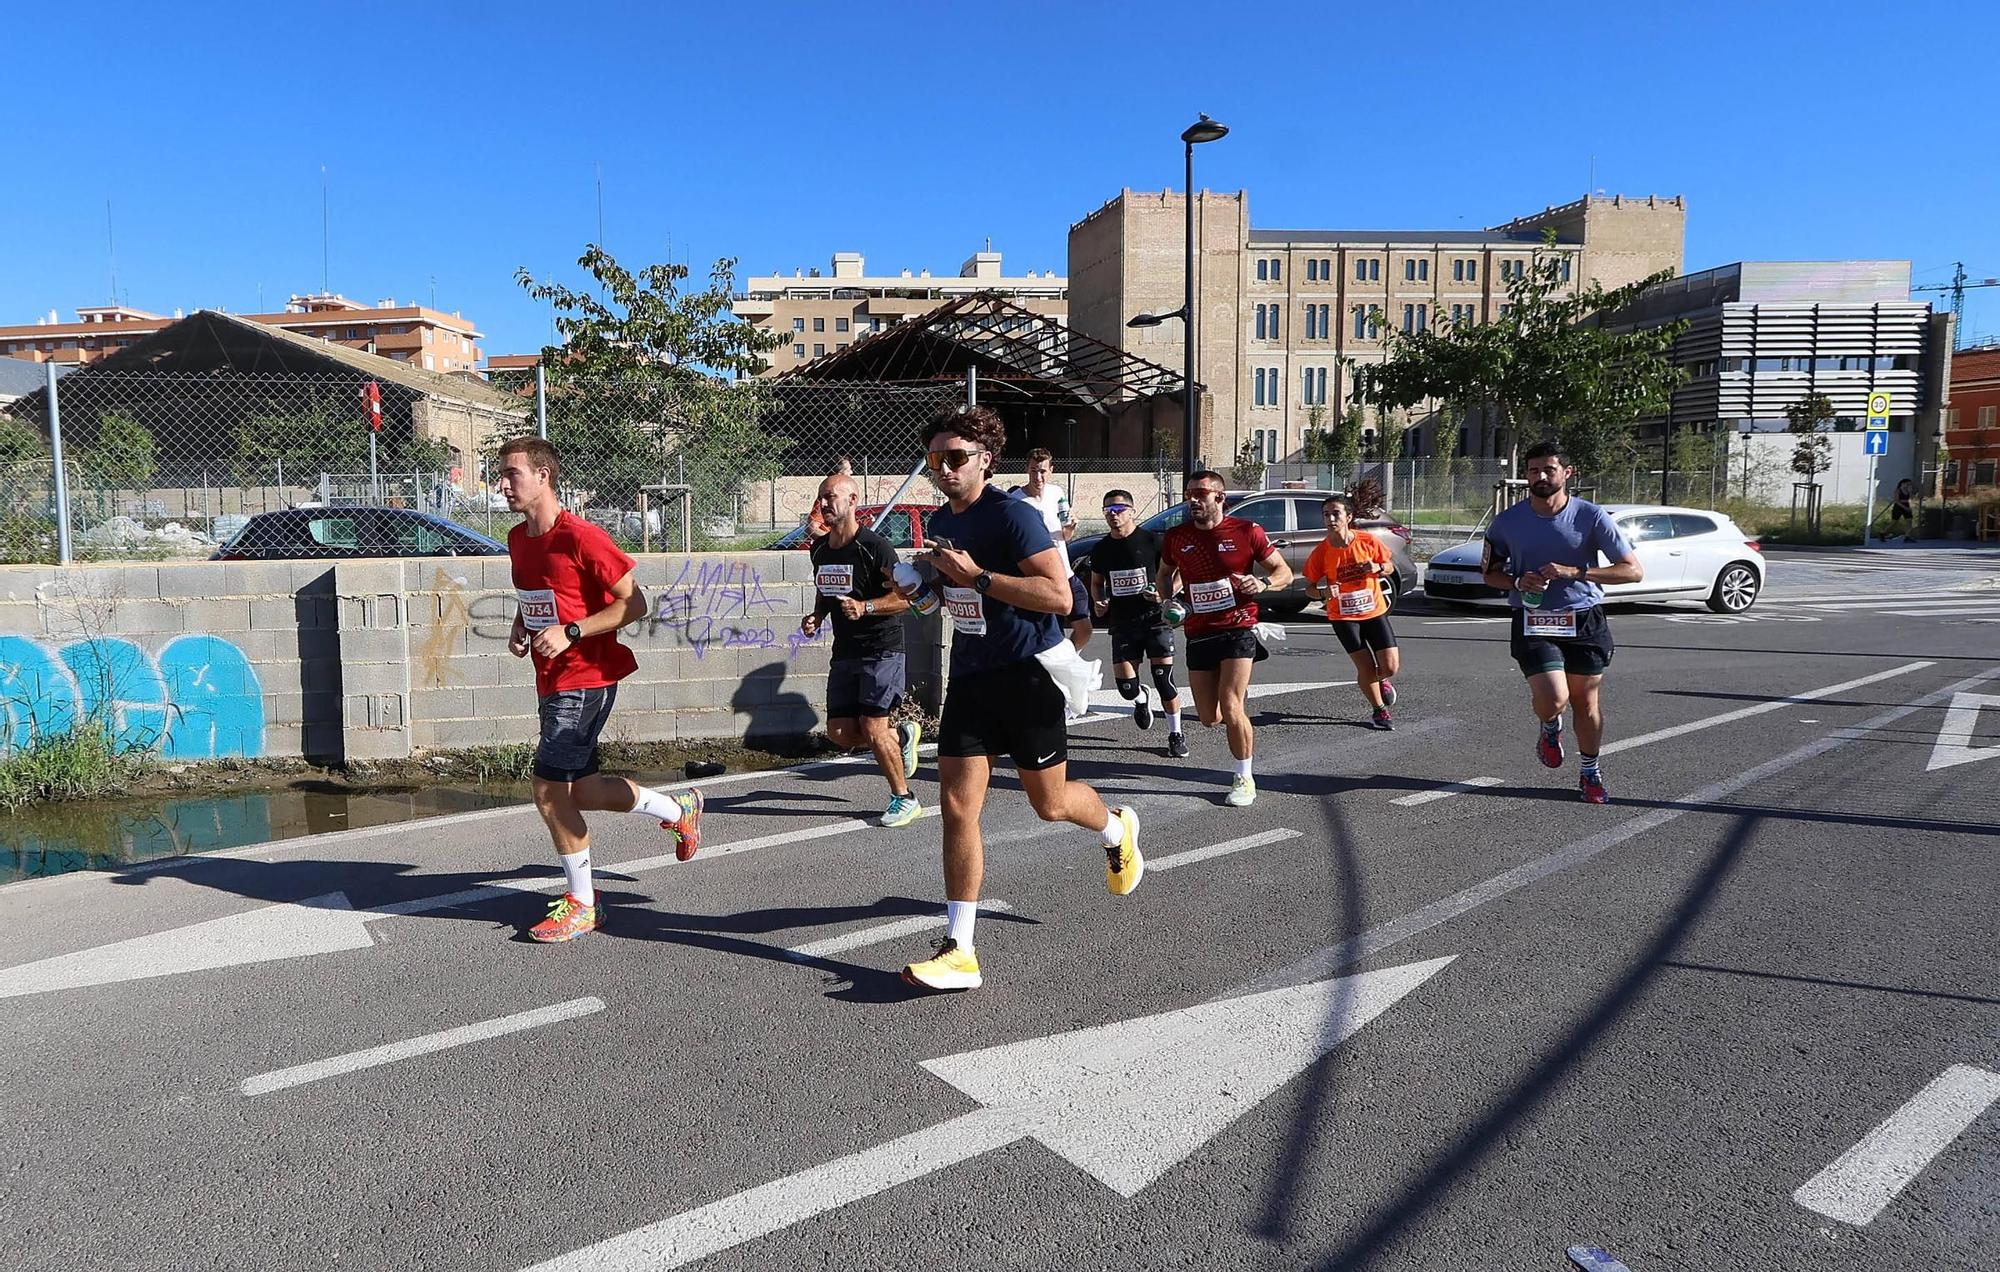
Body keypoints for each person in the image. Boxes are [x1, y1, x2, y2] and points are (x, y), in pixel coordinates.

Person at [891, 406, 1141, 992]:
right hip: (973, 678)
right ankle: (961, 950)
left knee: (1049, 805)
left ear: (985, 460)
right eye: (934, 460)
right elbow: (949, 602)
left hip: (1029, 676)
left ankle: (1115, 829)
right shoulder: (942, 522)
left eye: (955, 458)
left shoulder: (1015, 516)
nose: (944, 469)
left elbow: (1059, 595)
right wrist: (920, 590)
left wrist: (977, 576)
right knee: (957, 806)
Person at [497, 436, 703, 943]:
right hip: (550, 680)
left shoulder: (582, 536)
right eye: (501, 475)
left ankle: (583, 903)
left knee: (548, 790)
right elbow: (542, 598)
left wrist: (569, 632)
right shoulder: (517, 538)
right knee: (582, 791)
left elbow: (635, 605)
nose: (503, 486)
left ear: (544, 476)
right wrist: (524, 625)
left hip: (586, 678)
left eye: (512, 475)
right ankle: (680, 811)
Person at [1479, 440, 1644, 805]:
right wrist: (1517, 581)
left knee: (1586, 702)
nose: (1540, 476)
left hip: (1583, 618)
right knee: (1554, 697)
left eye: (1548, 469)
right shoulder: (1507, 522)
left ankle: (1590, 771)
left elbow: (1632, 572)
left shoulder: (1592, 517)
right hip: (1534, 617)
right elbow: (1489, 573)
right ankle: (1550, 726)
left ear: (1567, 473)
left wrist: (1576, 571)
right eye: (1533, 470)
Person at [1157, 470, 1293, 807]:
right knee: (1209, 717)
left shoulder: (1247, 531)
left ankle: (1244, 776)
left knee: (1232, 705)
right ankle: (1233, 720)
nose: (1193, 500)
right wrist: (1167, 601)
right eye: (1189, 493)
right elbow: (1164, 574)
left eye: (1200, 493)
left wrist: (1261, 584)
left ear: (1220, 498)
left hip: (1238, 626)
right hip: (1199, 631)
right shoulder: (1177, 536)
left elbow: (1284, 572)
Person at [801, 472, 923, 827]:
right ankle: (901, 736)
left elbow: (906, 598)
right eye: (821, 497)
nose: (824, 503)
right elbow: (825, 588)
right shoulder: (820, 549)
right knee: (839, 734)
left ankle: (905, 797)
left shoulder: (876, 547)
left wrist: (866, 607)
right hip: (846, 651)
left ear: (852, 501)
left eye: (831, 497)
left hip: (882, 648)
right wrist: (818, 615)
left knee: (872, 726)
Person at [1088, 489, 1188, 758]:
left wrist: (1166, 594)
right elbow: (1097, 583)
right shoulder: (1101, 549)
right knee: (1127, 689)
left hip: (1155, 620)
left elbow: (1179, 573)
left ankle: (1176, 734)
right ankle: (1141, 699)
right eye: (1108, 510)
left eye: (1119, 510)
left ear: (1132, 511)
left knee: (1164, 681)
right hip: (1123, 623)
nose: (1113, 515)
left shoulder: (1152, 541)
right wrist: (1099, 601)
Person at [1303, 494, 1400, 730]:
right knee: (1365, 668)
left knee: (1389, 667)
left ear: (1349, 517)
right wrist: (1325, 593)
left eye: (1336, 513)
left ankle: (1382, 679)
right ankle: (1379, 710)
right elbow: (1309, 590)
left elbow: (1389, 566)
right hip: (1343, 617)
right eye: (1326, 514)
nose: (1331, 519)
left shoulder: (1367, 541)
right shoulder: (1321, 553)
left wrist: (1378, 567)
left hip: (1374, 612)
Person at [1009, 448, 1092, 655]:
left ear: (1051, 470)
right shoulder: (1016, 501)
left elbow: (1064, 535)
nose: (1038, 477)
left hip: (1065, 572)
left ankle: (1067, 661)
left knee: (1084, 628)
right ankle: (1051, 672)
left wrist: (1070, 527)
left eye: (1043, 471)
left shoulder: (1057, 493)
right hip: (1040, 576)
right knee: (1050, 633)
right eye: (1033, 471)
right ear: (1027, 470)